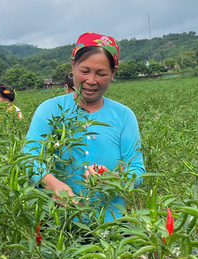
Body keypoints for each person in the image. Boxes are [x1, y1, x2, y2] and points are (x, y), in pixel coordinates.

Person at [24, 32, 144, 221]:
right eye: (85, 71)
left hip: (111, 223)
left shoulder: (123, 116)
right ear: (73, 65)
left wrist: (113, 178)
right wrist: (53, 184)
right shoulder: (50, 110)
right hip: (58, 221)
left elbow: (137, 169)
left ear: (113, 74)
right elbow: (29, 159)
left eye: (101, 73)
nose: (91, 80)